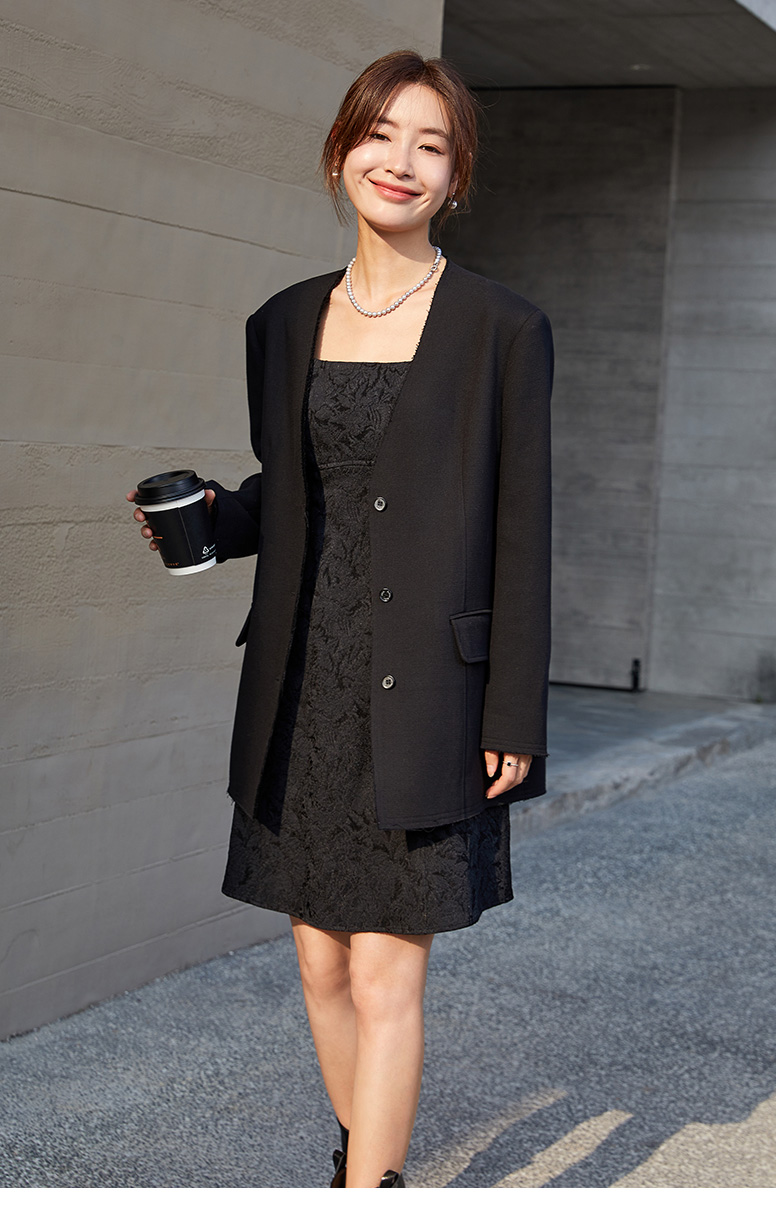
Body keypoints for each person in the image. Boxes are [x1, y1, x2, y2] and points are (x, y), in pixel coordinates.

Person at [128, 49, 552, 1188]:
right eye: (380, 134)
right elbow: (306, 491)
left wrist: (513, 708)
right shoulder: (282, 323)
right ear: (340, 152)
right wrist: (215, 519)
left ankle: (369, 1192)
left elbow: (523, 527)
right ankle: (365, 1163)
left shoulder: (502, 329)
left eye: (431, 145)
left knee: (384, 973)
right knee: (319, 963)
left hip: (430, 691)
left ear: (457, 176)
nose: (401, 161)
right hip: (304, 681)